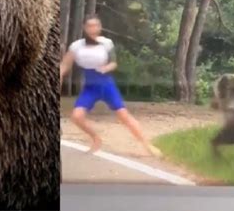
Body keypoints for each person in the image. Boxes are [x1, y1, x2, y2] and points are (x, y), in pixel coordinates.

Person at [60, 15, 162, 157]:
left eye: (95, 25)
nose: (92, 29)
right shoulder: (76, 46)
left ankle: (147, 145)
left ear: (100, 28)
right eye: (89, 26)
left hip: (106, 85)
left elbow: (114, 63)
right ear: (84, 28)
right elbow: (65, 65)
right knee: (77, 116)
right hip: (90, 88)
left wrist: (106, 68)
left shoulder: (106, 43)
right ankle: (96, 138)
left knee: (124, 116)